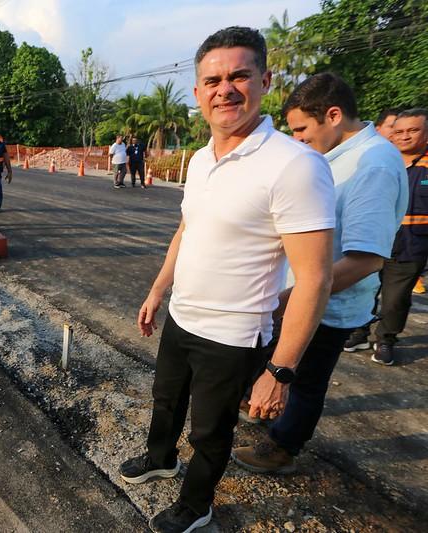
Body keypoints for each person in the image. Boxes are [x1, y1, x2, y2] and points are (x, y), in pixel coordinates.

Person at [118, 27, 335, 533]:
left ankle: (196, 507)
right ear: (197, 93)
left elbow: (315, 279)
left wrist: (279, 372)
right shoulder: (199, 160)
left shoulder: (294, 165)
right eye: (212, 80)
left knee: (211, 432)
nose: (225, 89)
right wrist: (157, 291)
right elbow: (187, 229)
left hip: (233, 335)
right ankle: (159, 459)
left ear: (265, 80)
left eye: (239, 75)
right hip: (183, 317)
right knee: (165, 401)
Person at [231, 73, 407, 474]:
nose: (297, 139)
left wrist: (289, 299)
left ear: (333, 115)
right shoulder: (335, 154)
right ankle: (263, 408)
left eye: (301, 130)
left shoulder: (374, 164)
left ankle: (282, 447)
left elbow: (366, 259)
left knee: (303, 379)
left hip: (327, 303)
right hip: (300, 292)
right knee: (274, 362)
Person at [346, 108, 428, 365]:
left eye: (413, 130)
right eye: (399, 131)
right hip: (373, 242)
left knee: (395, 300)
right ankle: (358, 332)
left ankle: (385, 340)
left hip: (411, 245)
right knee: (362, 290)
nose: (404, 136)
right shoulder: (378, 159)